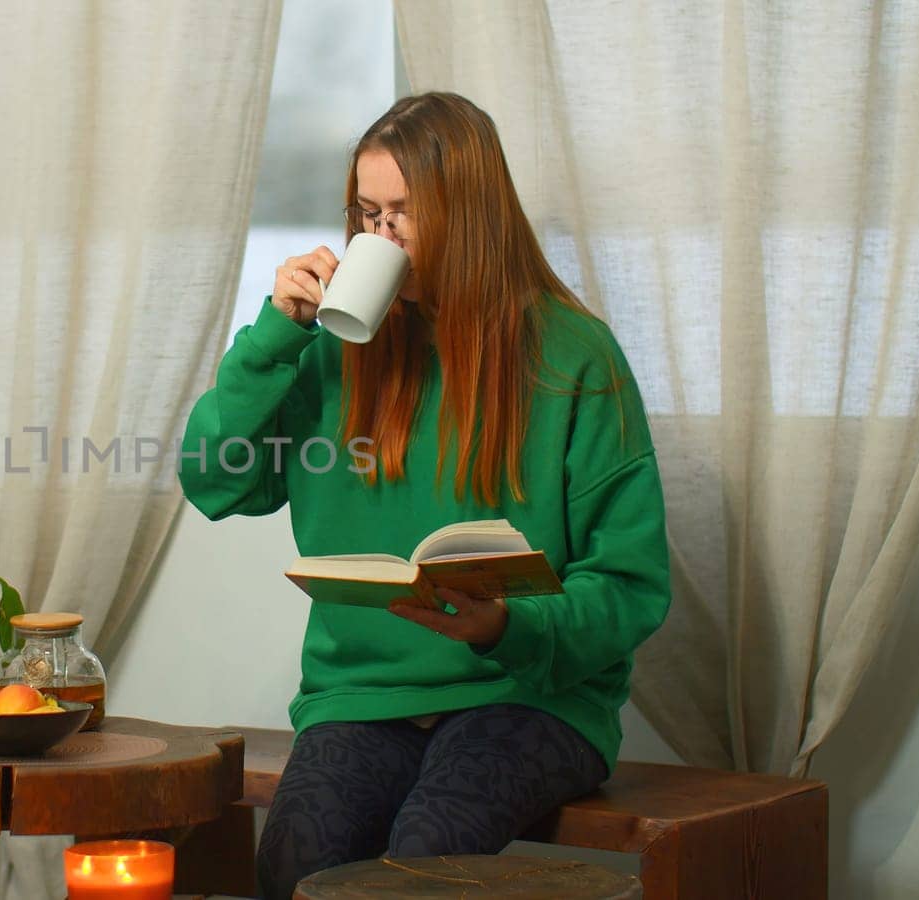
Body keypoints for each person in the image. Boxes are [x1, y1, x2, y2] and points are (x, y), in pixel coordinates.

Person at [178, 92, 671, 898]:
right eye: (367, 214)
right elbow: (214, 479)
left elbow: (631, 585)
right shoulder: (330, 349)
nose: (381, 237)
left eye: (405, 214)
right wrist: (273, 333)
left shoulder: (575, 358)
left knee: (427, 857)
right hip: (363, 698)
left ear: (472, 215)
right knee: (299, 855)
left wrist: (509, 624)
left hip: (530, 696)